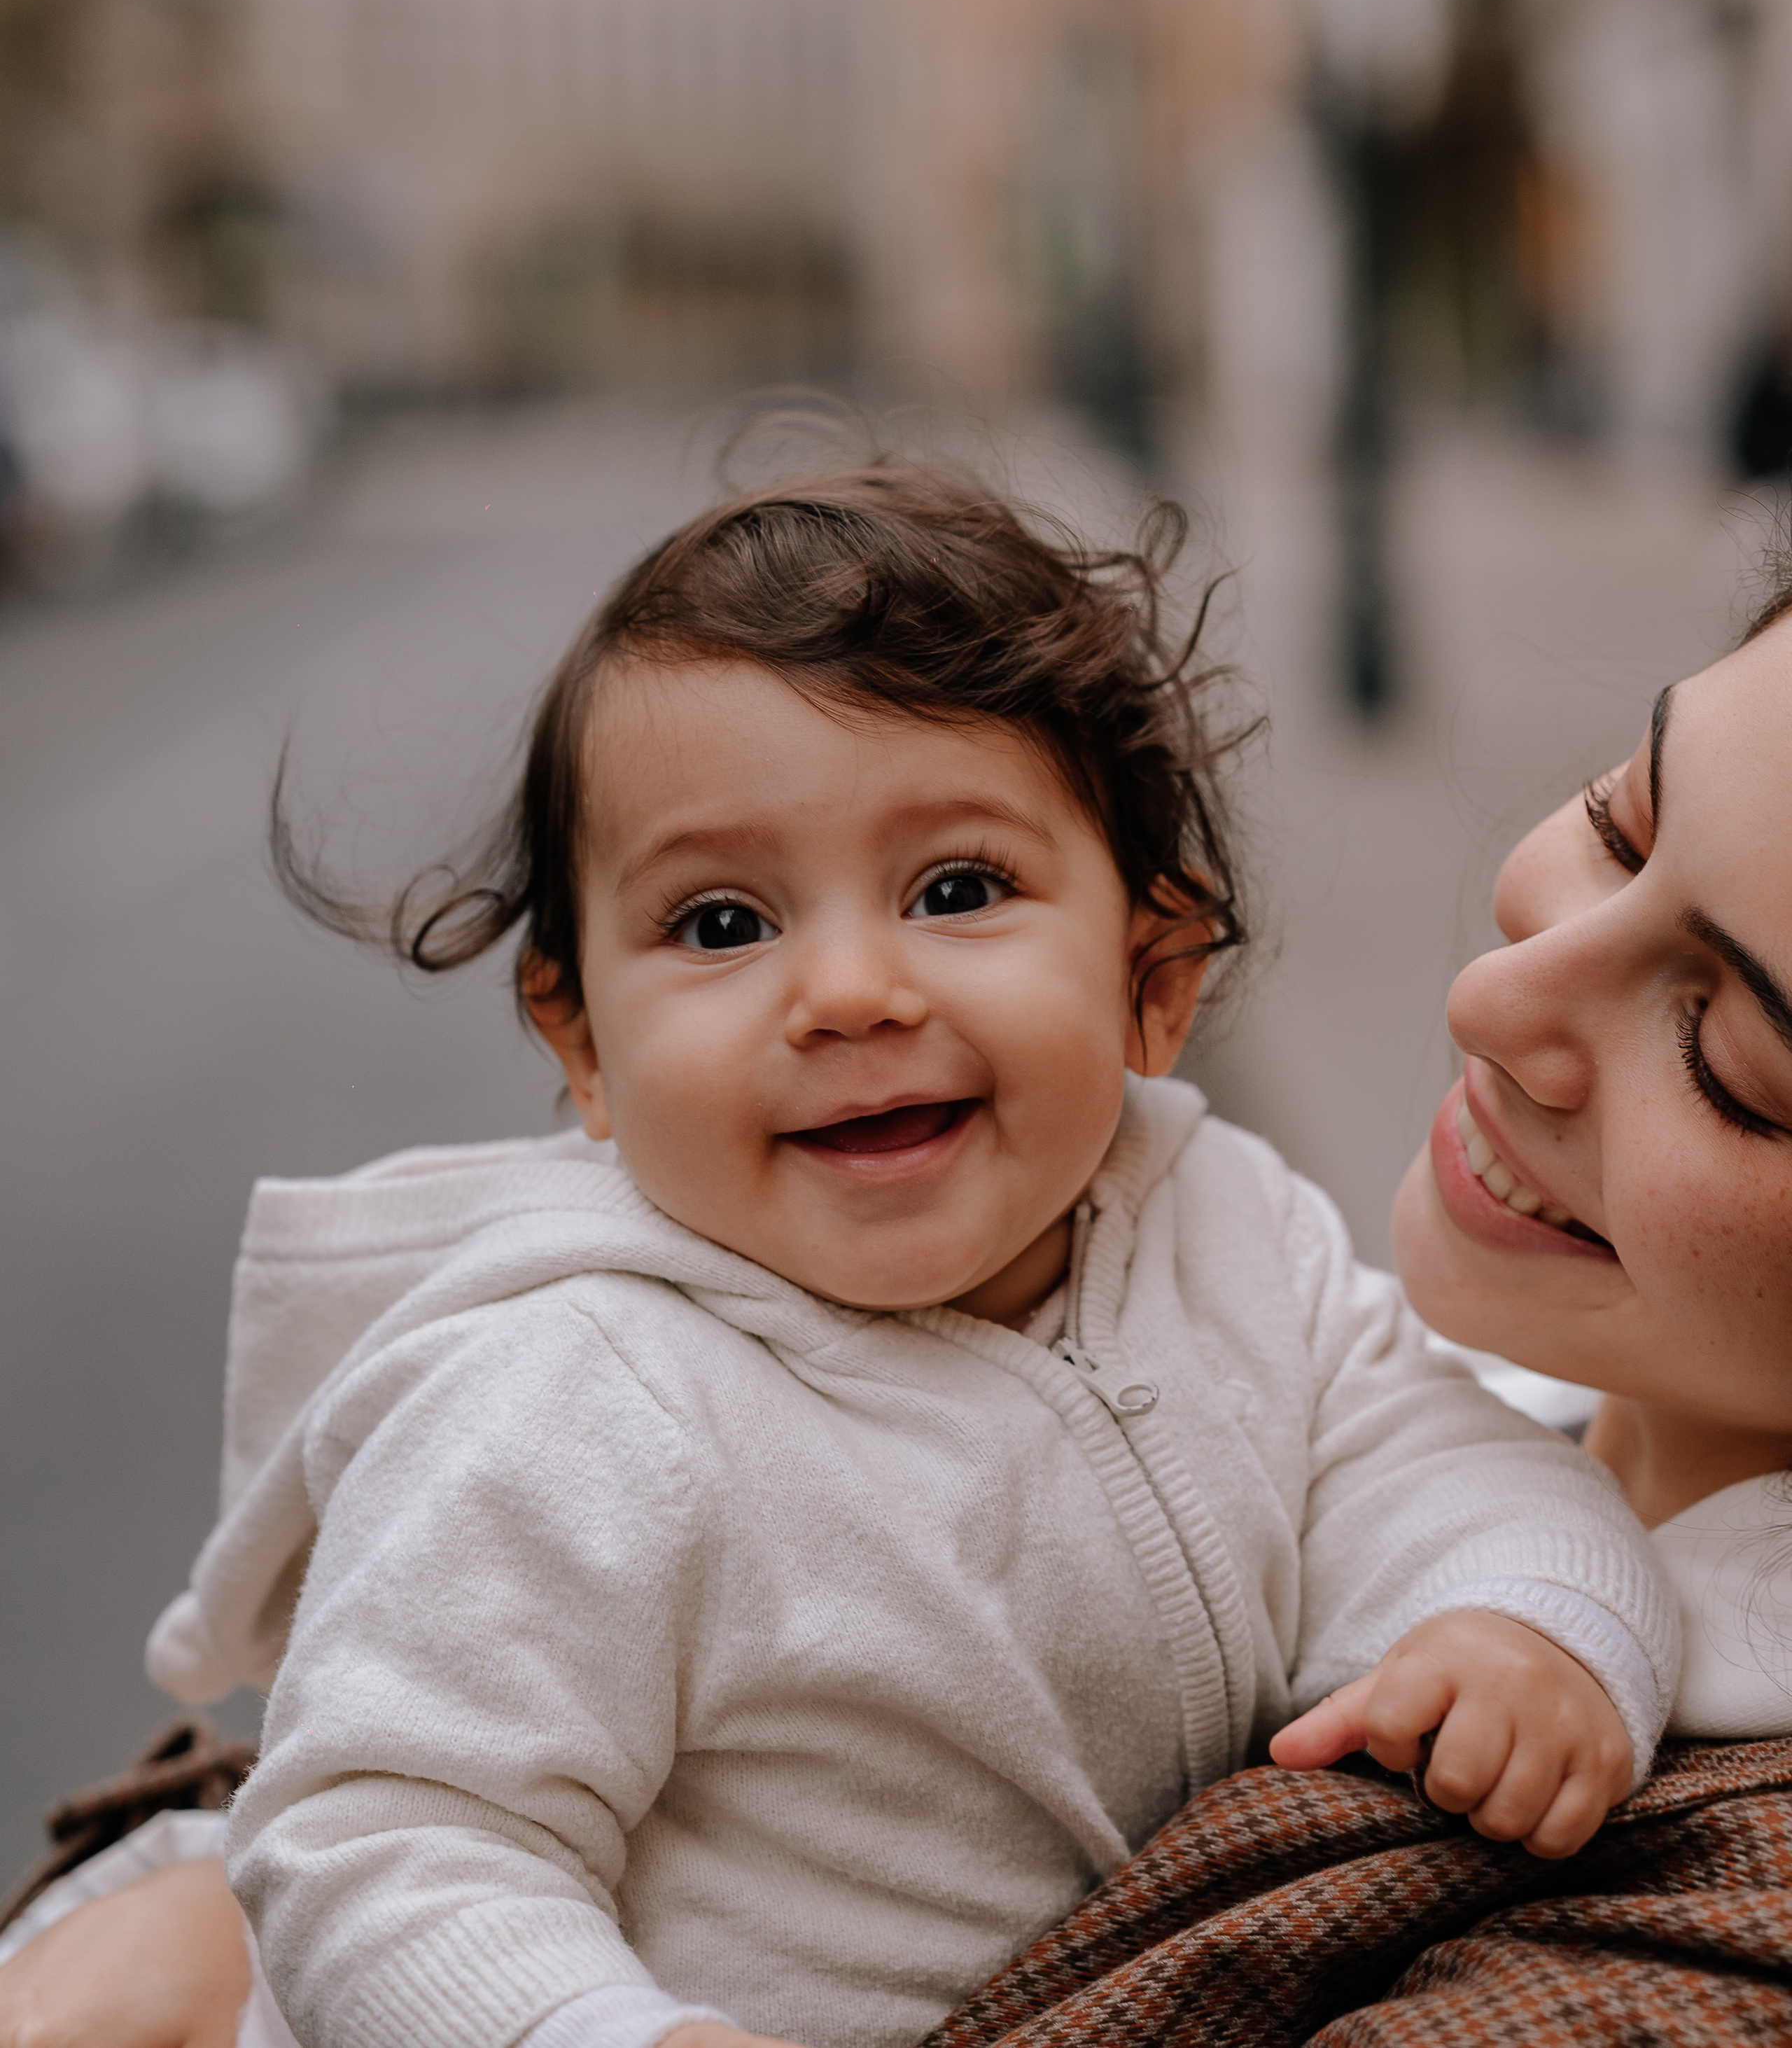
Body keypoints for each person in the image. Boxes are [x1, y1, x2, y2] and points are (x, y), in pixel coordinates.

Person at [0, 463, 1675, 2048]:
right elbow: (380, 1833)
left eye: (955, 887)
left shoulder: (1221, 1226)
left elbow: (1433, 1456)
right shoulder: (571, 1397)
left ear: (1155, 977)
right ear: (581, 1044)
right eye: (721, 923)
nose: (851, 992)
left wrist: (1522, 1621)